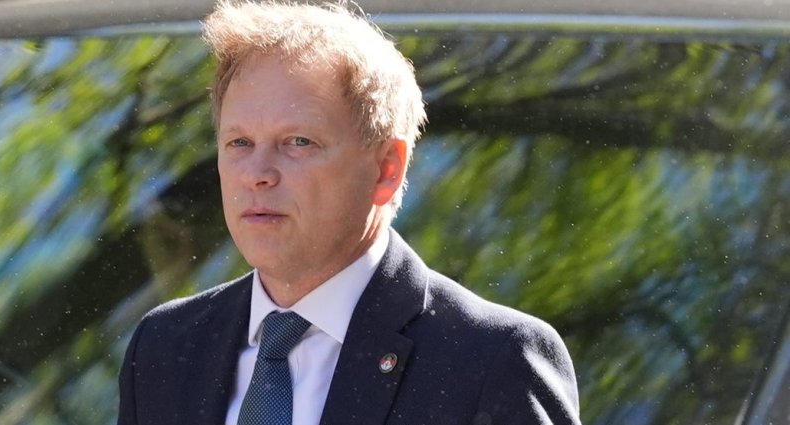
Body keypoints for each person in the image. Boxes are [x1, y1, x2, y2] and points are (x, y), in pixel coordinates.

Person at [118, 2, 581, 424]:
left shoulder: (492, 362)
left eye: (298, 142)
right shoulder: (163, 347)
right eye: (239, 142)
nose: (257, 174)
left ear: (386, 169)